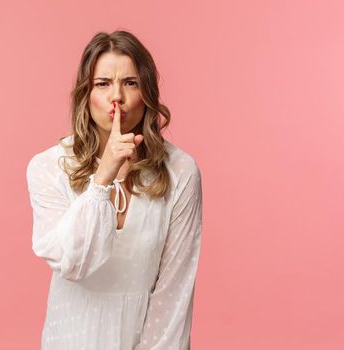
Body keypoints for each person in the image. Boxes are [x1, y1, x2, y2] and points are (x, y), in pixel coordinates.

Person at [26, 30, 203, 350]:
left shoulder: (180, 171)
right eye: (103, 83)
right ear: (86, 93)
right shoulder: (48, 167)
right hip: (70, 337)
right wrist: (102, 178)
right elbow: (73, 264)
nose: (116, 96)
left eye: (130, 83)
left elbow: (174, 293)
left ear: (146, 93)